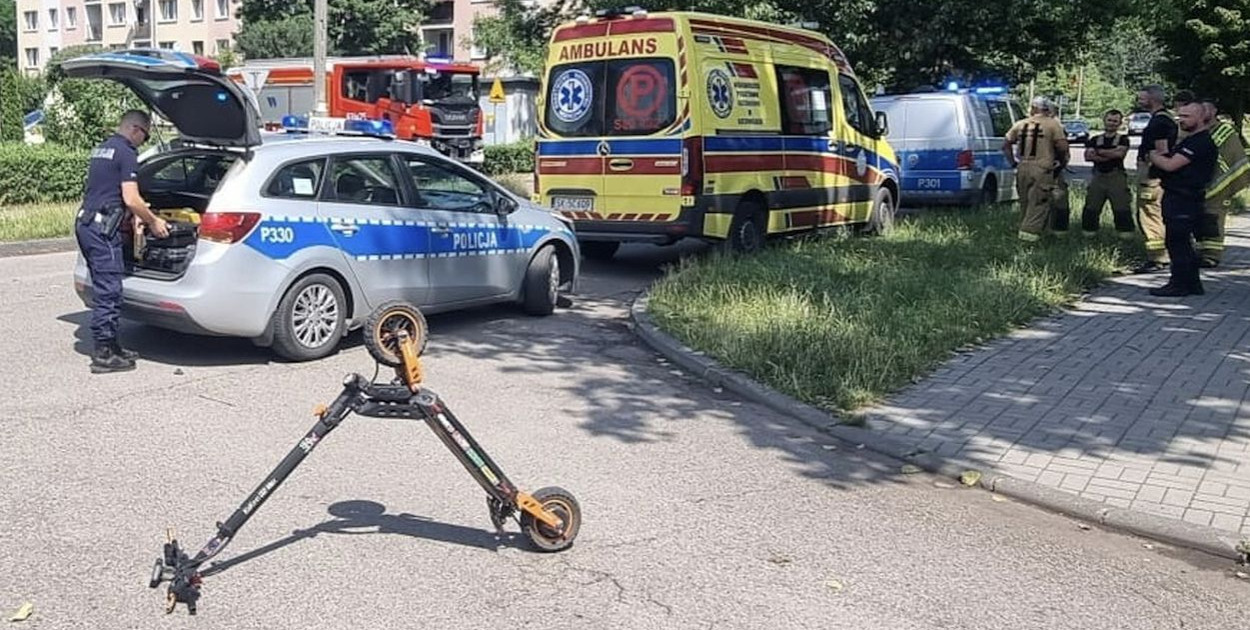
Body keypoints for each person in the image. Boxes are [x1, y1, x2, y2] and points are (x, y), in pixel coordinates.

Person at [75, 110, 169, 373]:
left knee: (104, 285)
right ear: (136, 129)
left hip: (87, 223)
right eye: (145, 135)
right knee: (110, 290)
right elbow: (131, 197)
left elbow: (108, 191)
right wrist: (153, 221)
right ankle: (104, 353)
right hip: (102, 229)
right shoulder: (126, 152)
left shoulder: (103, 148)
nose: (143, 141)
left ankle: (114, 346)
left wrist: (132, 215)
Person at [1146, 101, 1217, 297]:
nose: (1181, 120)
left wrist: (1154, 156)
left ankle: (1179, 284)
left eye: (1186, 116)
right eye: (1180, 116)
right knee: (1182, 242)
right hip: (1180, 197)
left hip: (1184, 198)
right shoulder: (1190, 139)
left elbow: (1171, 165)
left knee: (1177, 242)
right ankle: (1192, 284)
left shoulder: (1199, 142)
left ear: (1200, 117)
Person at [1003, 97, 1069, 242]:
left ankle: (1030, 232)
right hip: (1043, 169)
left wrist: (1013, 163)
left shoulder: (1020, 124)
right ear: (1047, 109)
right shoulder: (1053, 124)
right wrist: (1061, 162)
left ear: (1033, 108)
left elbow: (1006, 145)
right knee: (1039, 203)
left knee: (1025, 203)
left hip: (1023, 167)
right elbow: (1063, 147)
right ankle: (1028, 239)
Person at [1196, 98, 1250, 267]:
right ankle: (1202, 252)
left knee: (1214, 218)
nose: (1202, 114)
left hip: (1220, 183)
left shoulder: (1225, 132)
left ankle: (1212, 256)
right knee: (1201, 219)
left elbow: (1232, 157)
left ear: (1213, 111)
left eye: (1204, 110)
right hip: (1201, 183)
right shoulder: (1200, 130)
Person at [1132, 85, 1179, 274]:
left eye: (1142, 98)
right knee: (1155, 214)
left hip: (1152, 176)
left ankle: (1157, 259)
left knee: (1149, 215)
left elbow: (1162, 150)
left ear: (1152, 99)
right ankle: (1161, 256)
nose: (1139, 101)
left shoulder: (1159, 123)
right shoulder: (1165, 119)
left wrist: (1152, 167)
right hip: (1159, 175)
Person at [1081, 109, 1134, 237]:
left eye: (1115, 121)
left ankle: (1125, 236)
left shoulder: (1123, 139)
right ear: (1104, 120)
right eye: (1109, 120)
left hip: (1116, 177)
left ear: (1120, 123)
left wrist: (1099, 152)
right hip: (1098, 177)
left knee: (1122, 208)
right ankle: (1089, 235)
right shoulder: (1094, 139)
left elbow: (1120, 154)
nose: (1112, 123)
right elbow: (1088, 156)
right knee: (1091, 207)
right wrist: (1110, 154)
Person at [1044, 101, 1071, 234]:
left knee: (1059, 203)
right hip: (1046, 170)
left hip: (1053, 171)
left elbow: (1064, 152)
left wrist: (1061, 163)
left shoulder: (1057, 128)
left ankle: (1058, 233)